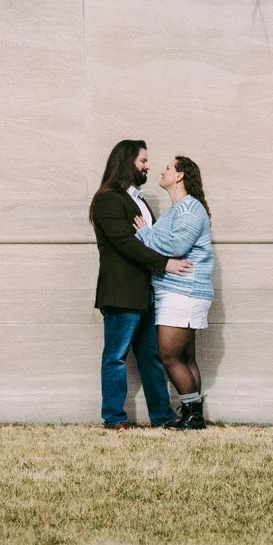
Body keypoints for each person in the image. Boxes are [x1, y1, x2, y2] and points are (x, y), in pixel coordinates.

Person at [89, 139, 193, 429]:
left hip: (147, 293)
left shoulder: (139, 200)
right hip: (122, 293)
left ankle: (162, 416)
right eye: (143, 161)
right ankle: (114, 418)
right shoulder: (108, 199)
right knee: (116, 357)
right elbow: (125, 243)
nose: (148, 166)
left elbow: (151, 240)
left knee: (152, 358)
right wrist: (165, 263)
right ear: (126, 162)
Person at [134, 155, 216, 430]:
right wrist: (153, 237)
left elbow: (175, 246)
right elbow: (168, 243)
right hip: (177, 291)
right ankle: (193, 416)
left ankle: (193, 416)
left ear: (180, 175)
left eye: (168, 168)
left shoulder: (190, 209)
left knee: (169, 355)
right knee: (184, 357)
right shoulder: (176, 209)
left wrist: (145, 234)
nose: (162, 170)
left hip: (184, 292)